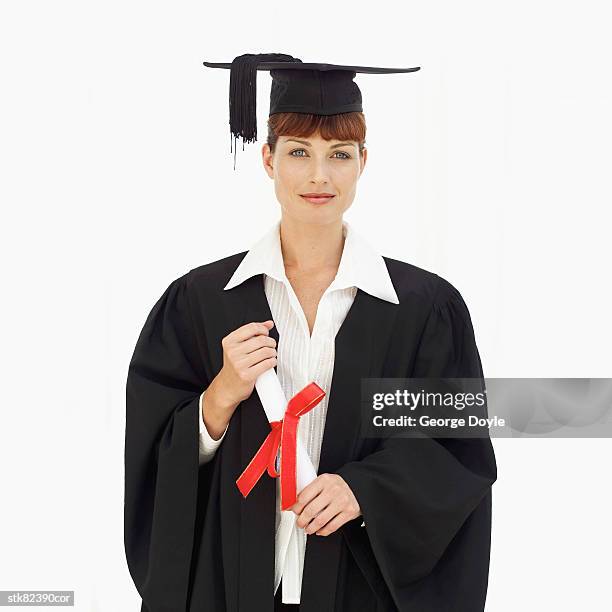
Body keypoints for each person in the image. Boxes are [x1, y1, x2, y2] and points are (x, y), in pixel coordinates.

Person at [124, 53, 497, 612]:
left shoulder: (423, 310)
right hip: (234, 587)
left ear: (363, 162)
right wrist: (221, 395)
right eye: (299, 152)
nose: (319, 175)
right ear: (268, 159)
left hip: (359, 587)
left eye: (339, 155)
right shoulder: (200, 302)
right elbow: (152, 459)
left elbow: (456, 450)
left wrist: (364, 488)